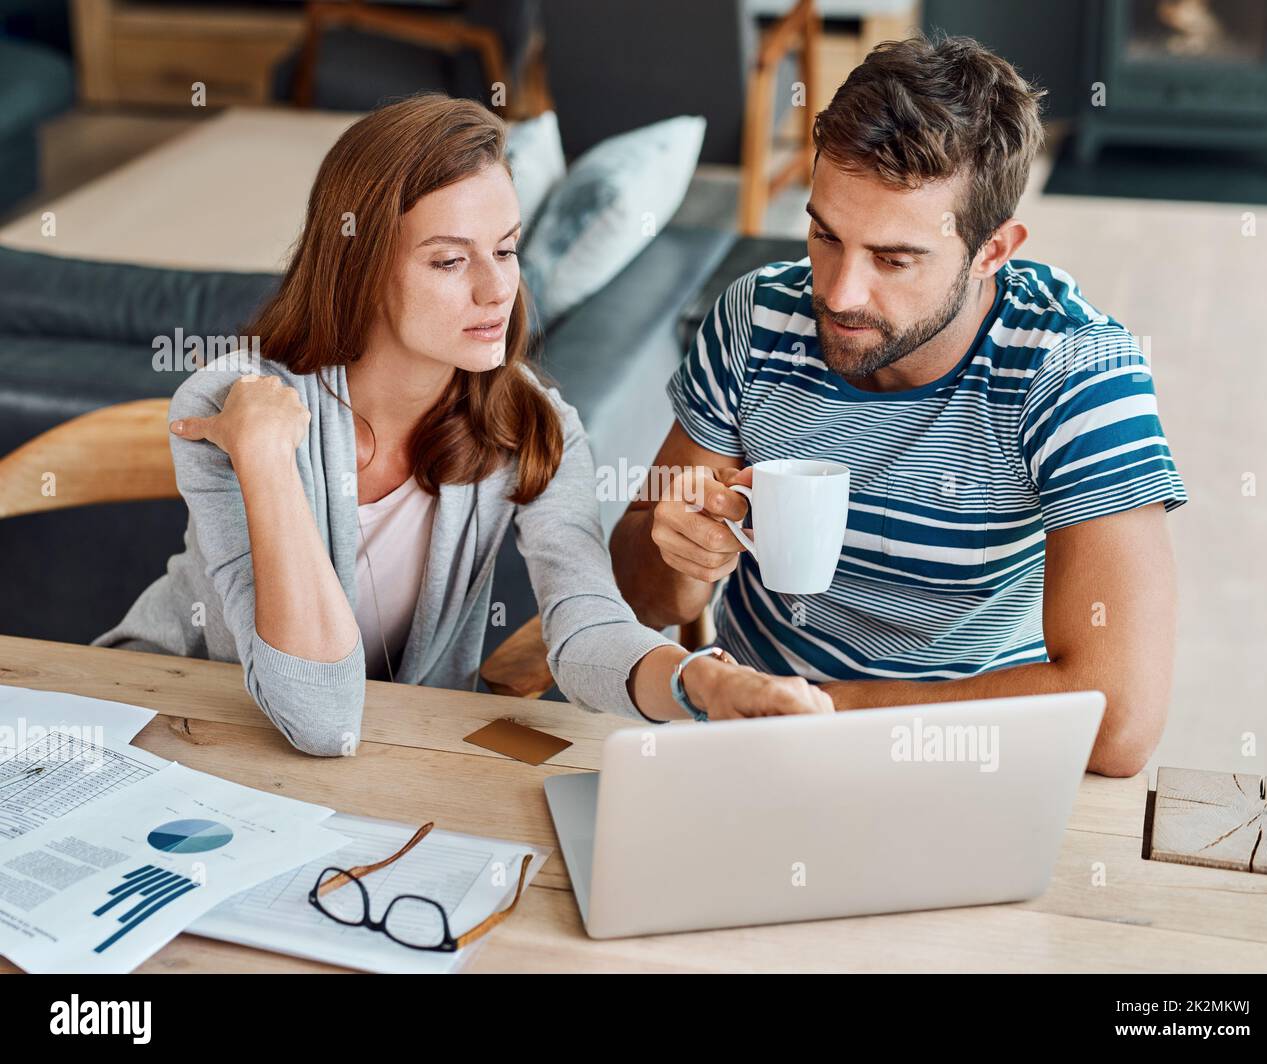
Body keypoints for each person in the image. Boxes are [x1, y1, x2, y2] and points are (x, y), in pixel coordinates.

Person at [95, 94, 832, 755]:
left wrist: (703, 687)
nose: (496, 289)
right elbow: (318, 714)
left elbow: (586, 626)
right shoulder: (231, 406)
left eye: (506, 249)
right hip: (164, 723)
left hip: (377, 754)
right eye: (449, 261)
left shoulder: (531, 425)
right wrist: (262, 459)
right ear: (359, 267)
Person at [610, 37, 1187, 777]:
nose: (839, 294)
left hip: (970, 753)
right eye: (825, 235)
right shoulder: (756, 319)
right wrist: (682, 559)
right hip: (753, 743)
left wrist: (822, 713)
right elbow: (635, 594)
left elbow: (1119, 721)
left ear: (993, 251)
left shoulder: (1076, 369)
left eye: (894, 259)